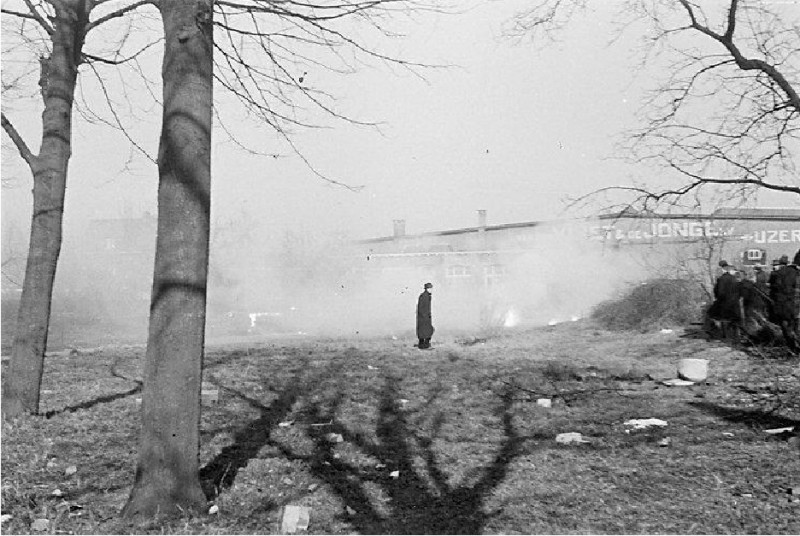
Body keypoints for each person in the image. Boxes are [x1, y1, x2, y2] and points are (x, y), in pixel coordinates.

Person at [770, 254, 799, 352]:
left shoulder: (778, 273)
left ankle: (793, 348)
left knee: (787, 327)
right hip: (794, 305)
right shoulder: (796, 273)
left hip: (783, 306)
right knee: (795, 327)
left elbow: (775, 289)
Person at [707, 260, 741, 341]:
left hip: (725, 303)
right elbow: (738, 291)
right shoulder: (734, 279)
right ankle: (736, 336)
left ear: (722, 269)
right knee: (734, 320)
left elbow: (720, 293)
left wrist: (719, 300)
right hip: (735, 303)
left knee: (712, 314)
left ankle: (723, 336)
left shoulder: (722, 279)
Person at [416, 282, 434, 349]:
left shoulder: (427, 296)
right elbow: (420, 307)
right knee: (425, 332)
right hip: (423, 318)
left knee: (427, 331)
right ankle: (423, 345)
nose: (432, 290)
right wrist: (424, 315)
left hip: (426, 317)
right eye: (430, 288)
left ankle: (424, 345)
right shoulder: (424, 296)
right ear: (427, 289)